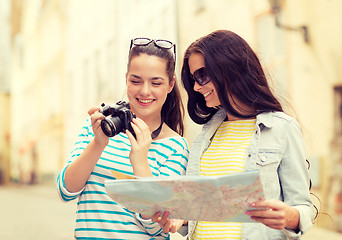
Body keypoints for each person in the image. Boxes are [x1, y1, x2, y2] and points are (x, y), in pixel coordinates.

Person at [153, 30, 316, 239]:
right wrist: (181, 217)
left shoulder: (282, 128)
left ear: (228, 69)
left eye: (201, 75)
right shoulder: (206, 136)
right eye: (193, 78)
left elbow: (303, 206)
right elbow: (201, 208)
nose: (195, 86)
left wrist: (291, 216)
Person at [57, 37, 189, 239]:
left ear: (170, 85)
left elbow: (157, 227)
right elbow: (65, 190)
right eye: (136, 81)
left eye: (156, 82)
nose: (145, 91)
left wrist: (140, 162)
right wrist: (98, 143)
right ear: (126, 78)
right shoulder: (98, 126)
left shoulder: (175, 147)